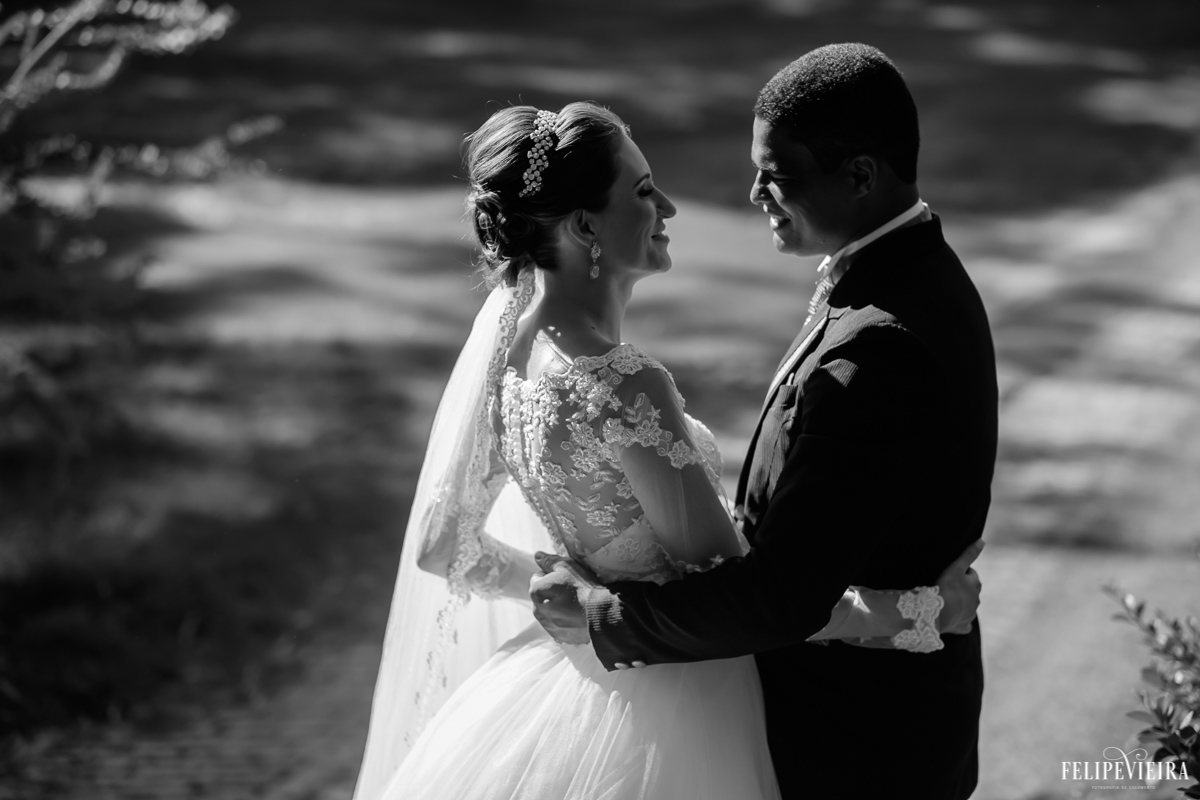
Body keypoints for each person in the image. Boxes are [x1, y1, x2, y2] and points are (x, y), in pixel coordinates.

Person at [351, 99, 984, 800]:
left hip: (563, 683)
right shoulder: (625, 387)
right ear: (586, 225)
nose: (671, 208)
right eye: (645, 191)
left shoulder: (508, 364)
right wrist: (924, 611)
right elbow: (742, 599)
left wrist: (564, 589)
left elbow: (445, 546)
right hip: (675, 709)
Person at [533, 44, 998, 800]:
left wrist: (603, 616)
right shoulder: (902, 277)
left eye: (776, 174)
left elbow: (782, 598)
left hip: (857, 749)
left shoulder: (881, 343)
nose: (753, 193)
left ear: (860, 176)